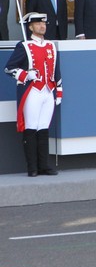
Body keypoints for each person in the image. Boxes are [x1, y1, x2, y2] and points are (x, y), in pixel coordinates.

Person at [4, 12, 62, 177]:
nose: (42, 26)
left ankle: (43, 165)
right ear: (30, 27)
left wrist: (59, 90)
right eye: (38, 24)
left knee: (43, 128)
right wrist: (25, 75)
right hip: (32, 91)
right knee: (31, 128)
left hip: (48, 91)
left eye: (43, 23)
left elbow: (56, 70)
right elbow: (9, 68)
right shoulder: (24, 46)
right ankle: (32, 168)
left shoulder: (51, 46)